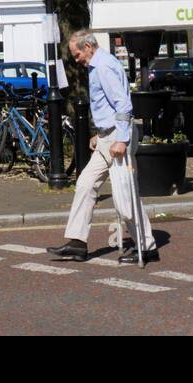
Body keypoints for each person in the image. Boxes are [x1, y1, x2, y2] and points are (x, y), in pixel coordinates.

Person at [48, 30, 158, 264]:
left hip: (118, 138)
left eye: (77, 53)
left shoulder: (104, 66)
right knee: (85, 184)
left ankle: (147, 247)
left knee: (126, 194)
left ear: (88, 46)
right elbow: (107, 105)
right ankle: (77, 243)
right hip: (107, 138)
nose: (76, 58)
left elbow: (123, 104)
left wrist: (121, 139)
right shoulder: (96, 66)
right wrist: (101, 134)